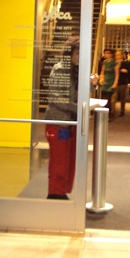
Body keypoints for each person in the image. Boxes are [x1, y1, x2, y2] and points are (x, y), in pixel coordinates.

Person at [44, 37, 80, 200]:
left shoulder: (74, 70)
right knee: (59, 159)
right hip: (58, 123)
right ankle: (55, 194)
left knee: (66, 158)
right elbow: (55, 97)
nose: (80, 57)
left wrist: (93, 84)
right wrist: (76, 107)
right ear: (69, 53)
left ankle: (60, 192)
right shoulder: (60, 70)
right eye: (77, 53)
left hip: (67, 123)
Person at [99, 48, 119, 113]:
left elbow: (117, 74)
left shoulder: (114, 63)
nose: (105, 54)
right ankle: (104, 112)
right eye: (105, 53)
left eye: (107, 53)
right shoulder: (104, 62)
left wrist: (115, 83)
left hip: (111, 82)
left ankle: (109, 112)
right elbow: (102, 71)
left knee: (109, 98)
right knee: (104, 97)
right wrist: (101, 78)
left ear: (111, 54)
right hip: (105, 82)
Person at [115, 50, 130, 116]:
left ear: (122, 56)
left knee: (122, 96)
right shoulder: (114, 63)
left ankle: (122, 110)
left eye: (119, 55)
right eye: (117, 55)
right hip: (114, 82)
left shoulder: (125, 63)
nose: (117, 56)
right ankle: (112, 110)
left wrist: (125, 71)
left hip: (122, 82)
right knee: (114, 97)